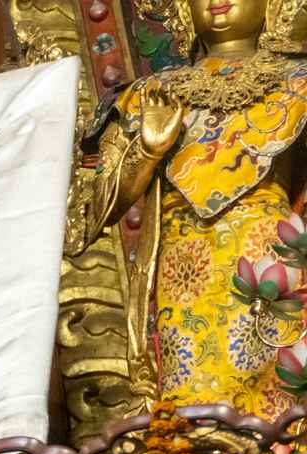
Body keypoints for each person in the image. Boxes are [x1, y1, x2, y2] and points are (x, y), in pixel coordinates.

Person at [87, 0, 307, 419]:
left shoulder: (297, 83)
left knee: (274, 400)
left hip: (271, 261)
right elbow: (98, 208)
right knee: (194, 402)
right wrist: (148, 151)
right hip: (184, 269)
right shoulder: (151, 94)